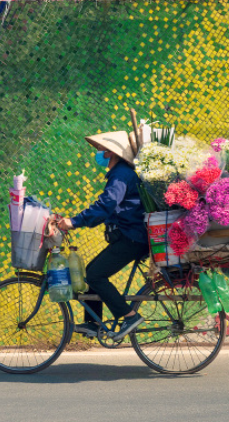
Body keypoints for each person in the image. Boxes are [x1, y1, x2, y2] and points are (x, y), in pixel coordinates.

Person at [57, 130, 149, 339]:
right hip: (129, 236)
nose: (100, 153)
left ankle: (130, 316)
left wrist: (74, 222)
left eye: (102, 150)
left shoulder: (122, 174)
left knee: (95, 275)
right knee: (91, 272)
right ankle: (93, 324)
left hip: (132, 237)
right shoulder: (121, 173)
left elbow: (105, 205)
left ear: (111, 153)